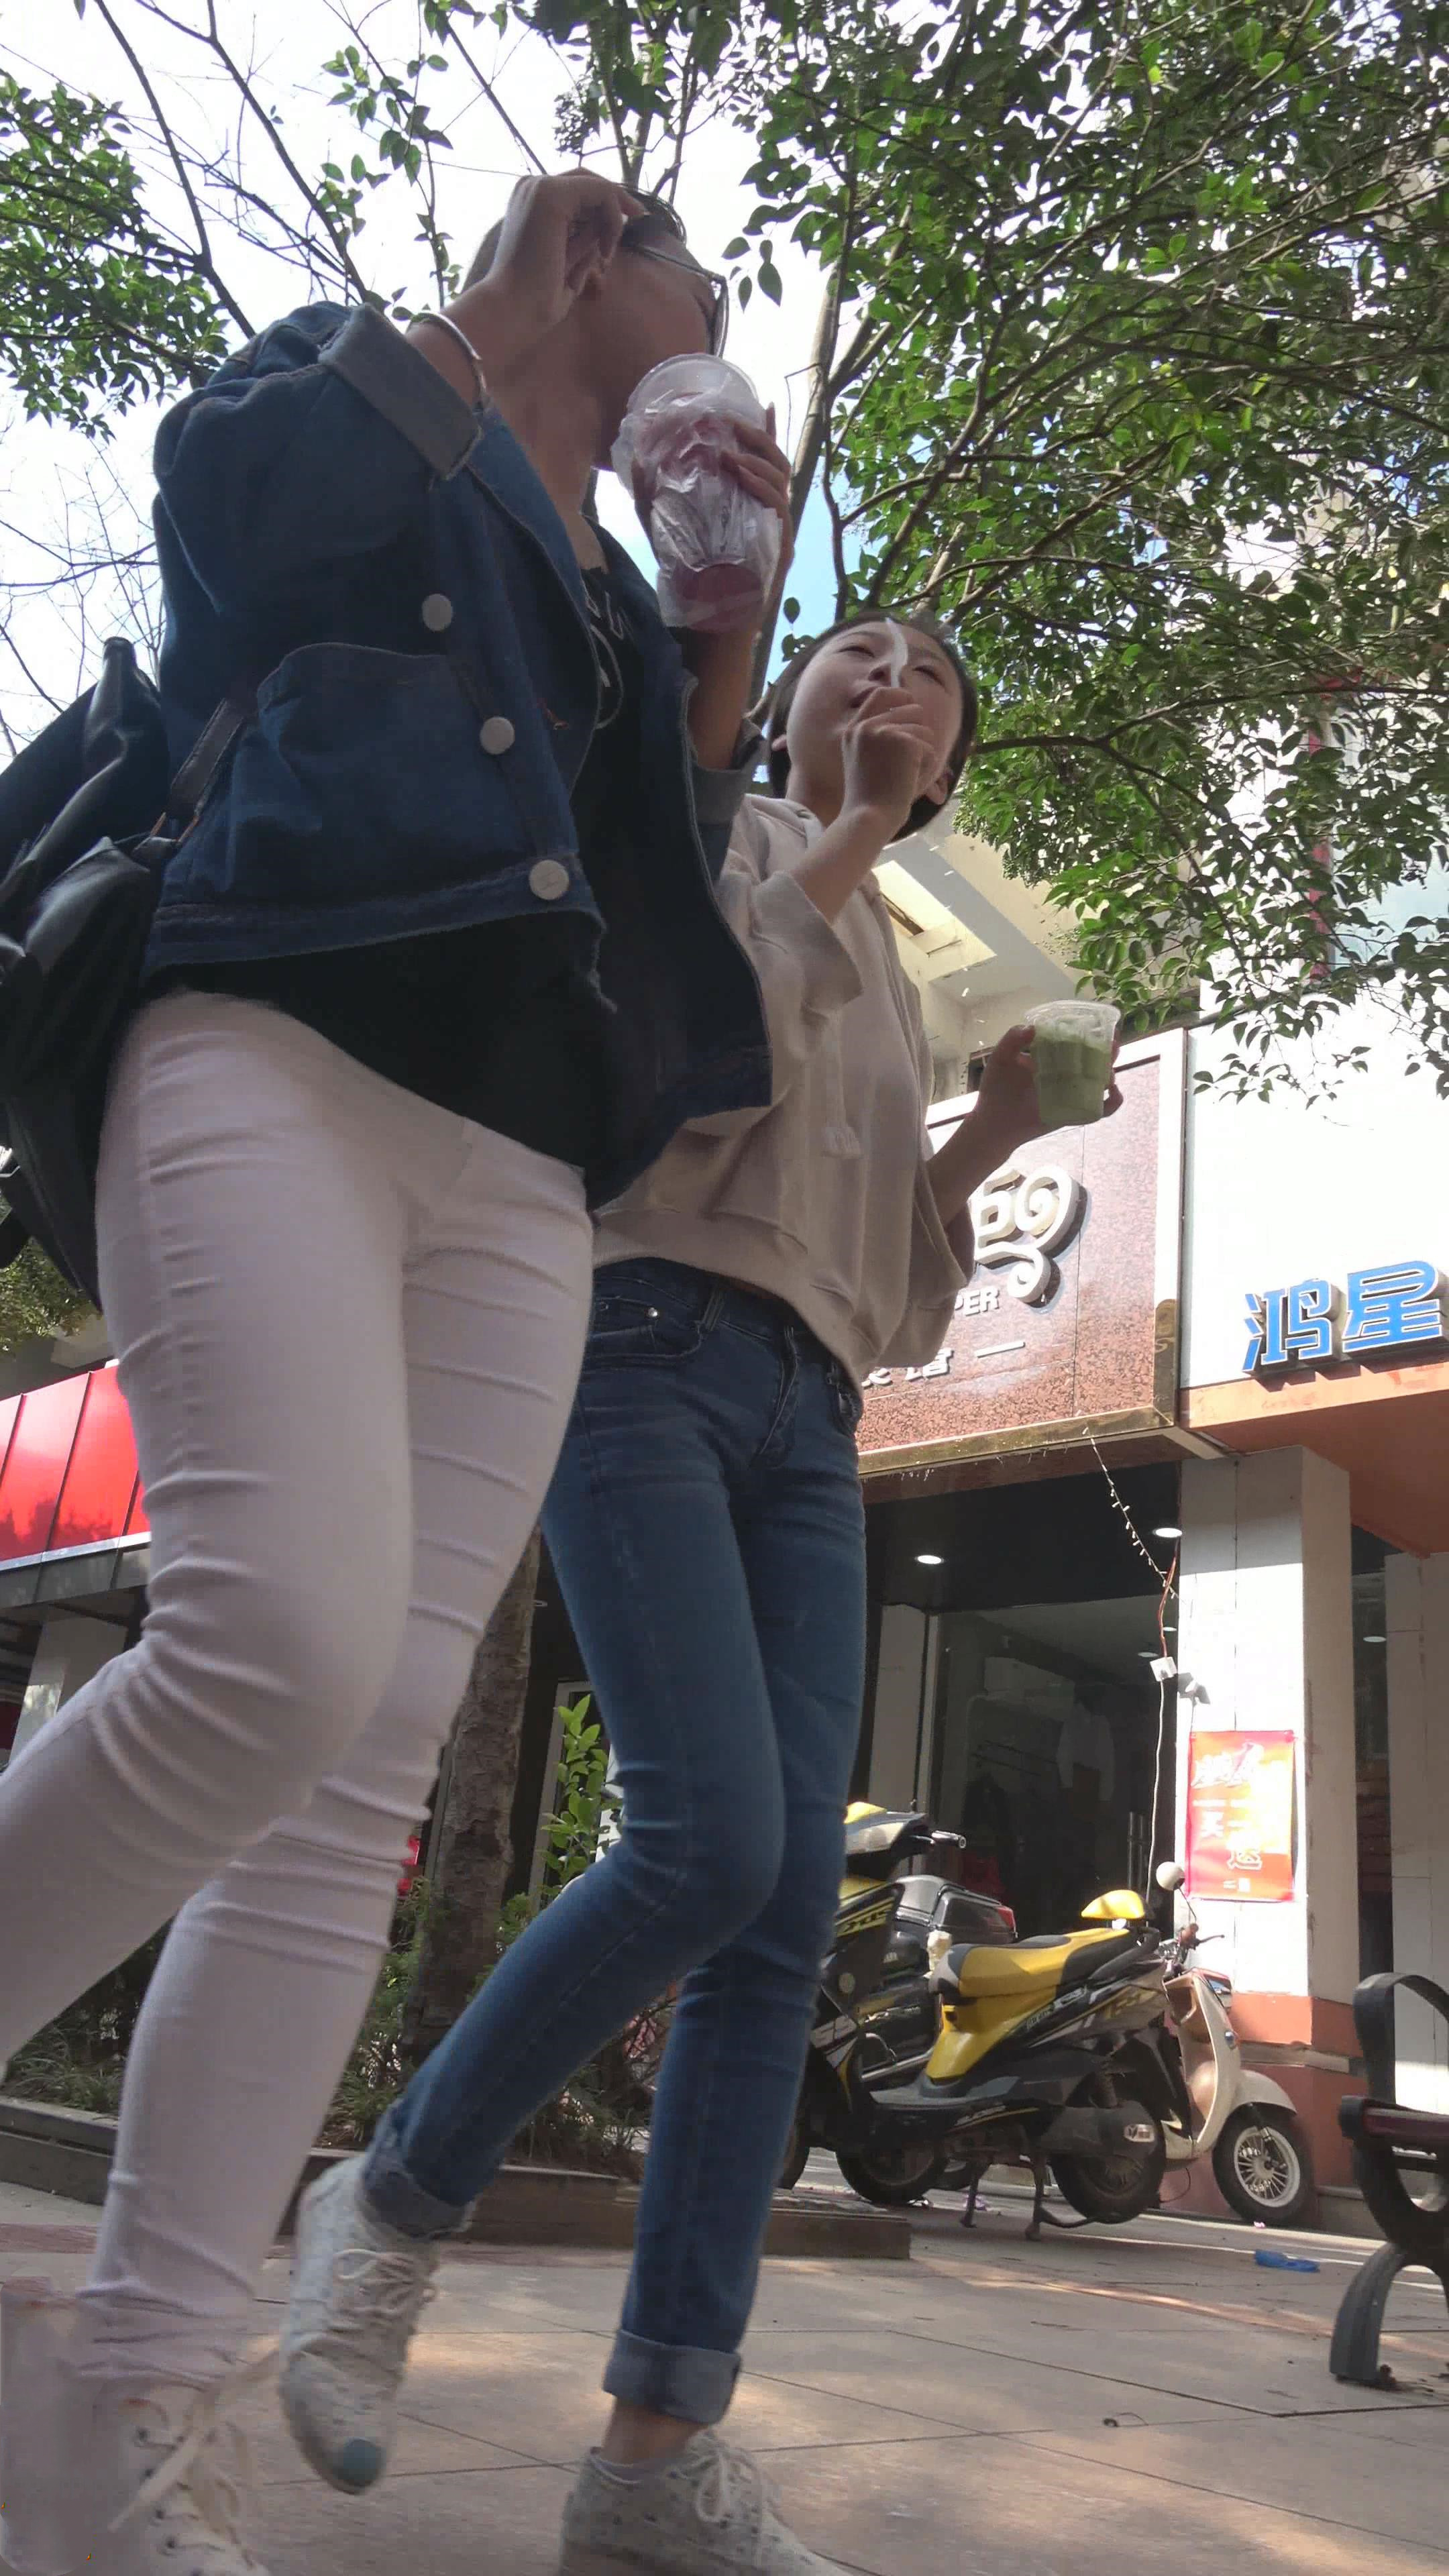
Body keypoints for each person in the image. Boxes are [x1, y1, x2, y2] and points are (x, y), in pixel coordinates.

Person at [0, 172, 790, 2576]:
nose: (722, 325)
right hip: (267, 1032)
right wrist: (471, 323)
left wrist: (725, 636)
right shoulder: (361, 372)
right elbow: (229, 528)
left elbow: (665, 886)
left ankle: (141, 2404)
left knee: (358, 1790)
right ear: (593, 251)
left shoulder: (612, 592)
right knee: (273, 1641)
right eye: (700, 276)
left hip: (524, 1178)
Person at [279, 609, 1120, 2573]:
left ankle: (655, 2456)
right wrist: (850, 832)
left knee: (779, 1920)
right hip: (641, 1343)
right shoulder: (699, 831)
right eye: (859, 649)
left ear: (951, 761)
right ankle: (389, 2203)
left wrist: (997, 1126)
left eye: (932, 677)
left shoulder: (892, 965)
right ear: (797, 698)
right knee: (708, 1842)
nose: (892, 675)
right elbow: (673, 1058)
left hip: (813, 1416)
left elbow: (895, 1297)